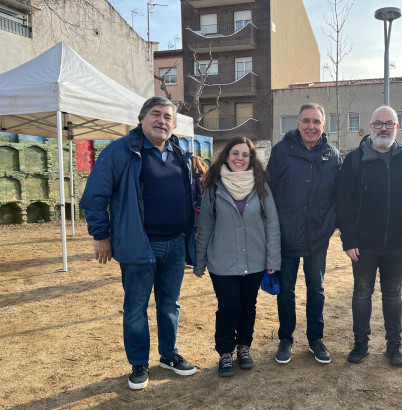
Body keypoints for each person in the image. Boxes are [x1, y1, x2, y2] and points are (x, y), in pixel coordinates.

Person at [81, 96, 197, 390]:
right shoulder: (122, 151)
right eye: (156, 115)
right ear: (142, 118)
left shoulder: (177, 152)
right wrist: (101, 235)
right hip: (139, 244)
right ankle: (138, 363)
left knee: (170, 304)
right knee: (136, 307)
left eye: (168, 117)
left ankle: (168, 355)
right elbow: (94, 195)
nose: (162, 121)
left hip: (175, 244)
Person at [336, 106, 402, 366]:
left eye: (389, 124)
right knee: (362, 293)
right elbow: (343, 202)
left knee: (393, 295)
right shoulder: (354, 159)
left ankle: (394, 347)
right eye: (378, 124)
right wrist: (348, 240)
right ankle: (361, 344)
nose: (384, 128)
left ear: (397, 127)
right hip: (363, 245)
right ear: (370, 127)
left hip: (397, 243)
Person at [194, 136, 281, 377]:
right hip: (221, 262)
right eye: (235, 153)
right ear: (226, 155)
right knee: (228, 307)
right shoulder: (214, 187)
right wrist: (200, 261)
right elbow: (205, 226)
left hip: (255, 260)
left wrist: (273, 260)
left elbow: (272, 224)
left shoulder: (261, 187)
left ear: (251, 159)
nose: (240, 158)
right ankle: (225, 352)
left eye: (245, 154)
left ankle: (244, 347)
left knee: (247, 306)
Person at [267, 103, 341, 364]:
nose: (311, 126)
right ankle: (286, 338)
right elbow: (269, 192)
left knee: (316, 290)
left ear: (323, 125)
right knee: (286, 290)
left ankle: (315, 338)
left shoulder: (332, 155)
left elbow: (338, 197)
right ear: (298, 124)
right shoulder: (281, 151)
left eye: (316, 121)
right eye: (306, 121)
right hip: (286, 236)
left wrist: (328, 226)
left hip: (317, 238)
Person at [191, 155, 208, 232]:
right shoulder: (205, 178)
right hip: (203, 212)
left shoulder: (193, 180)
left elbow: (192, 196)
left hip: (194, 215)